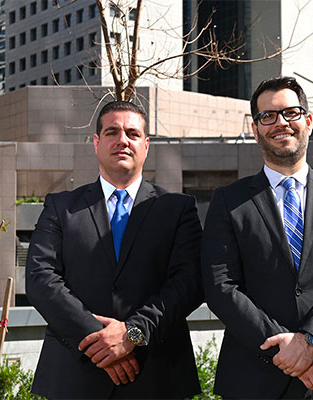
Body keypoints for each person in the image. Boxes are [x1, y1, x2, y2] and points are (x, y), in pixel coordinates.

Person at [201, 76, 313, 399]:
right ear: (255, 129)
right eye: (267, 116)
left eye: (291, 113)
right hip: (255, 375)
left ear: (309, 121)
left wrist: (311, 340)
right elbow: (220, 287)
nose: (280, 123)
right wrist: (287, 350)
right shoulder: (228, 202)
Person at [26, 101, 203, 399]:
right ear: (96, 143)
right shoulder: (60, 207)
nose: (122, 140)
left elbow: (190, 282)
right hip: (75, 376)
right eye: (112, 132)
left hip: (156, 375)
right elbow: (40, 279)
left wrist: (133, 333)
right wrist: (98, 341)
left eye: (132, 133)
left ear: (146, 145)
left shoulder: (178, 209)